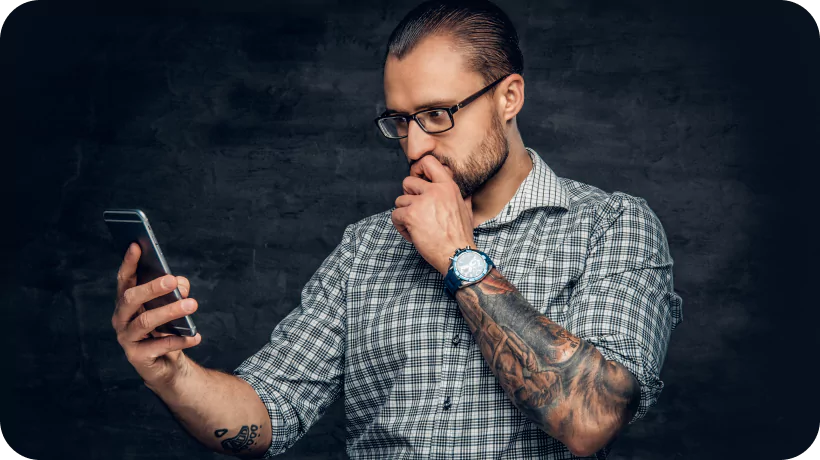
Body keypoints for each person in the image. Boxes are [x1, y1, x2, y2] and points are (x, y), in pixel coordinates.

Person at [111, 0, 683, 458]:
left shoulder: (614, 226)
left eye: (437, 115)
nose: (414, 145)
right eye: (400, 121)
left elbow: (592, 420)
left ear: (509, 97)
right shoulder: (367, 247)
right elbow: (269, 413)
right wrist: (173, 375)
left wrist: (460, 259)